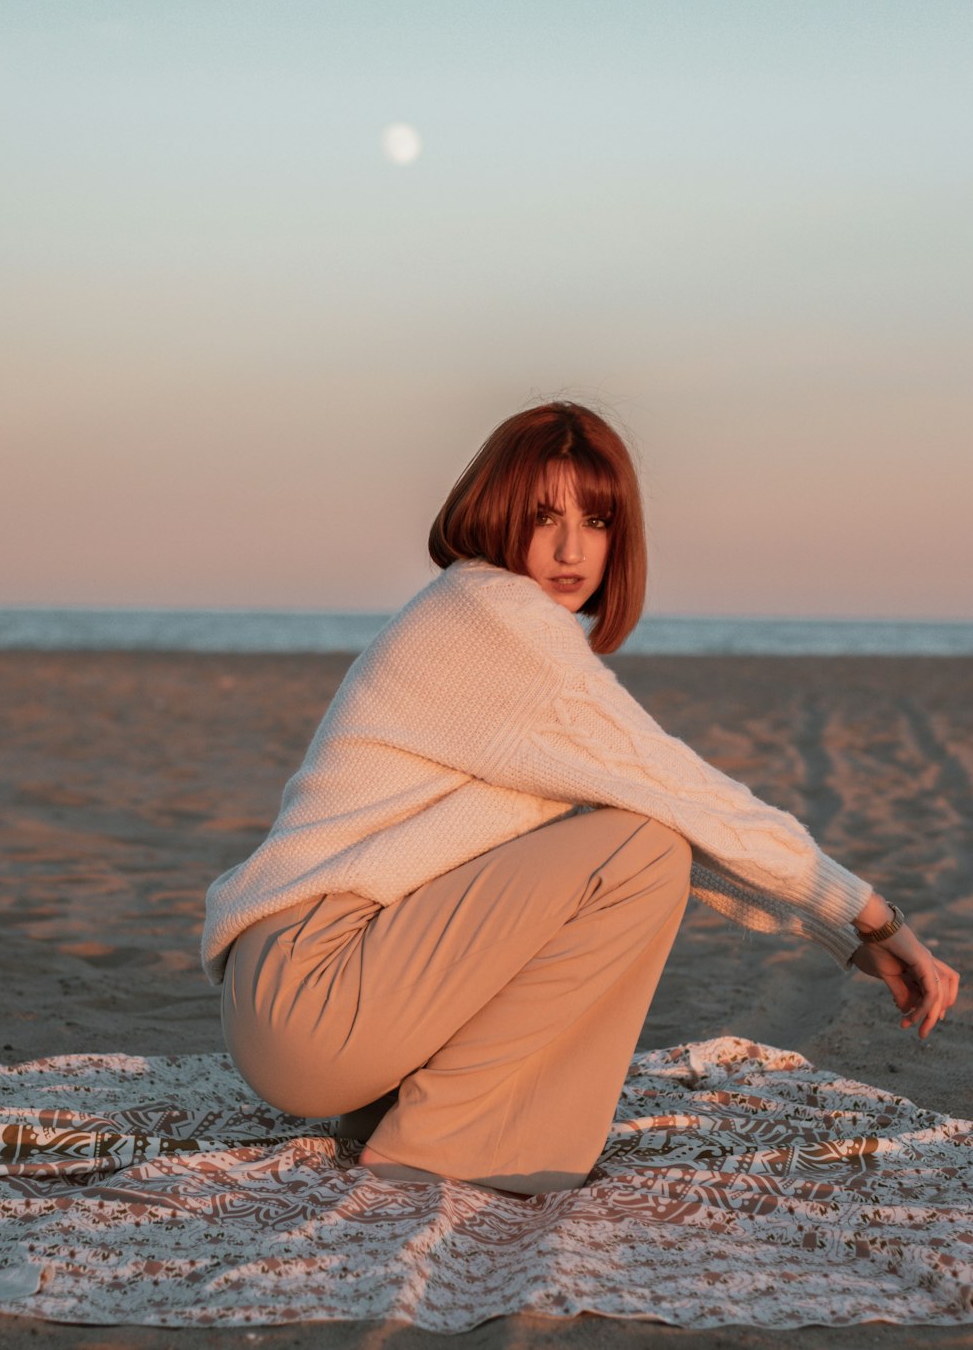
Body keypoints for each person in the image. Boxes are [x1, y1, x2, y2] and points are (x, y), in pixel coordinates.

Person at [201, 401, 959, 1196]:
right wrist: (870, 915)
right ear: (495, 513)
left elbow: (667, 813)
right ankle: (440, 1144)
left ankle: (410, 1113)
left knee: (634, 841)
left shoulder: (472, 610)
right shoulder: (495, 617)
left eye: (596, 520)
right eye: (543, 516)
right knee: (642, 851)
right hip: (315, 988)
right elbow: (683, 797)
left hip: (305, 999)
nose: (571, 548)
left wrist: (834, 927)